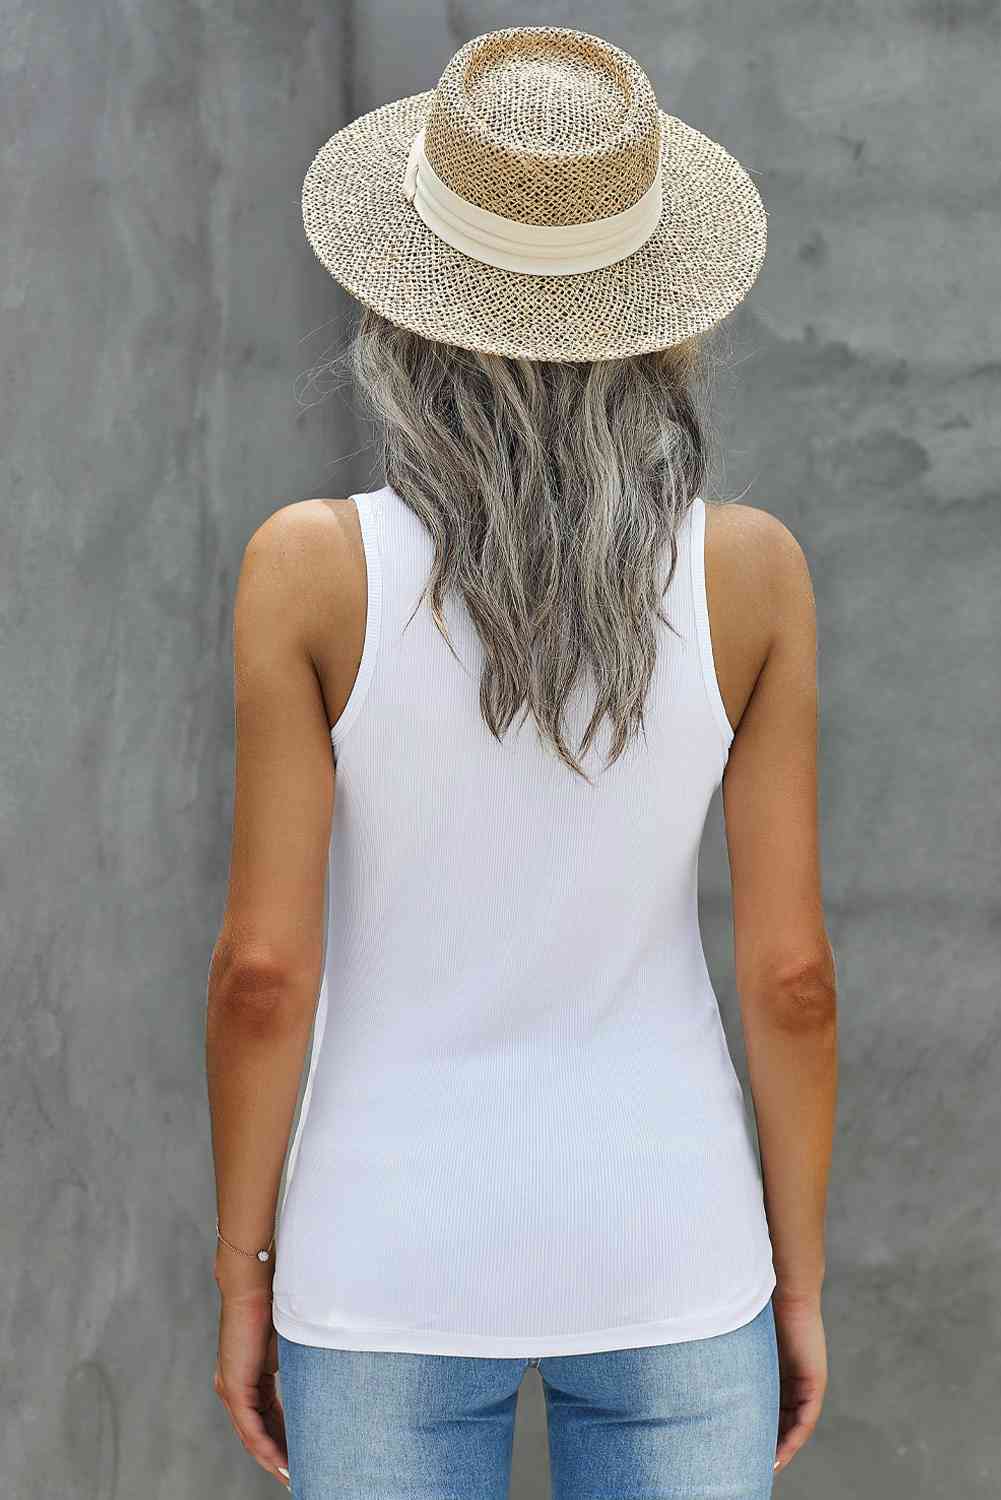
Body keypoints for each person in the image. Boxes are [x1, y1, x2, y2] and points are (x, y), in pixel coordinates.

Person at [205, 24, 838, 1500]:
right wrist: (795, 1278)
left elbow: (261, 975)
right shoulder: (751, 575)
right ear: (658, 317)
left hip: (385, 1248)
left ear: (403, 306)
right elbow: (792, 979)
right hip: (672, 1244)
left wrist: (243, 1270)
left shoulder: (309, 569)